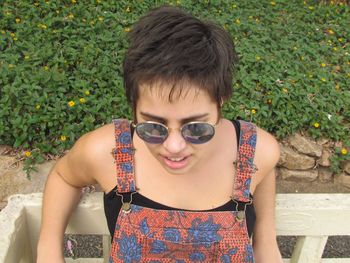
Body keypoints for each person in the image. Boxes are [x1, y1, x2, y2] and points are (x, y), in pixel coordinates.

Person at [37, 5, 282, 263]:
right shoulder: (105, 152)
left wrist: (265, 238)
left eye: (196, 128)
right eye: (153, 127)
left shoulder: (258, 151)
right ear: (134, 107)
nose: (174, 146)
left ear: (220, 102)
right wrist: (48, 250)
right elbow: (64, 177)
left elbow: (263, 172)